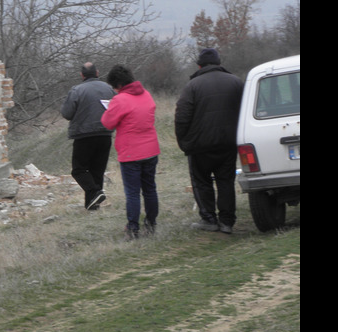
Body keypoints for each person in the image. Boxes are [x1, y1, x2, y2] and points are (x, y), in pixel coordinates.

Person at [174, 48, 245, 234]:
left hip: (200, 145)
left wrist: (184, 142)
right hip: (229, 142)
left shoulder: (192, 86)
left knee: (202, 181)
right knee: (226, 181)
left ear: (199, 66)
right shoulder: (236, 82)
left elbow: (182, 117)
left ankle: (208, 219)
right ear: (219, 63)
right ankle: (227, 221)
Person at [100, 65, 160, 240]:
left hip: (130, 153)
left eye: (113, 87)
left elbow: (107, 123)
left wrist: (111, 106)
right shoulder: (147, 95)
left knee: (133, 193)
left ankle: (133, 228)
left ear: (118, 84)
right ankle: (151, 224)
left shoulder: (120, 100)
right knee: (150, 189)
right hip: (151, 149)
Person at [61, 62, 115, 210]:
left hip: (84, 135)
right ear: (97, 72)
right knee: (97, 170)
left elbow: (66, 113)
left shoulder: (77, 90)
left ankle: (95, 192)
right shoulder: (109, 89)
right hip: (105, 134)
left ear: (82, 75)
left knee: (78, 170)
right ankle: (92, 206)